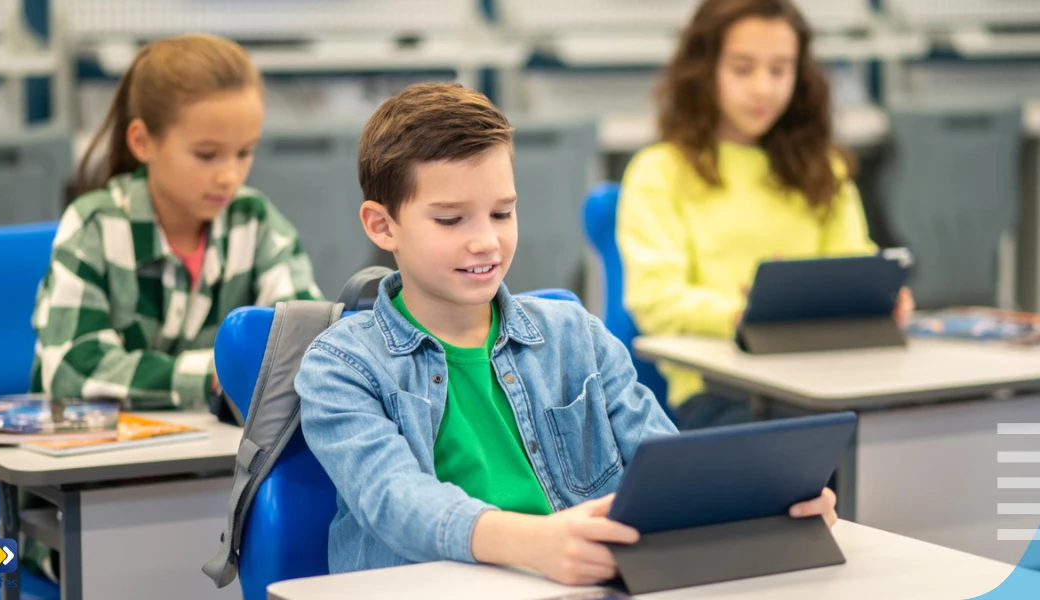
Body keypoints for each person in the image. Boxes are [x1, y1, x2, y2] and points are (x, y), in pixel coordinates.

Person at [295, 82, 838, 586]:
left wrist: (761, 503)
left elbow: (667, 466)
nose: (486, 241)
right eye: (450, 220)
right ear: (382, 224)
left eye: (502, 212)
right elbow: (391, 498)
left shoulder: (576, 337)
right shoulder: (342, 365)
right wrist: (533, 542)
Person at [616, 0, 913, 429]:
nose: (762, 88)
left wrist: (879, 301)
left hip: (830, 380)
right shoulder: (661, 171)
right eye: (742, 69)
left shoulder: (823, 168)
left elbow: (853, 263)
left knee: (906, 435)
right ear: (705, 70)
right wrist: (744, 314)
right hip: (721, 392)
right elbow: (655, 300)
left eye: (779, 70)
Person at [31, 34, 321, 413]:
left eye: (245, 152)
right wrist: (212, 375)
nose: (229, 176)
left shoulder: (257, 220)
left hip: (215, 462)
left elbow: (304, 342)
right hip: (96, 466)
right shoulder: (93, 227)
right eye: (206, 155)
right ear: (142, 141)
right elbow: (71, 368)